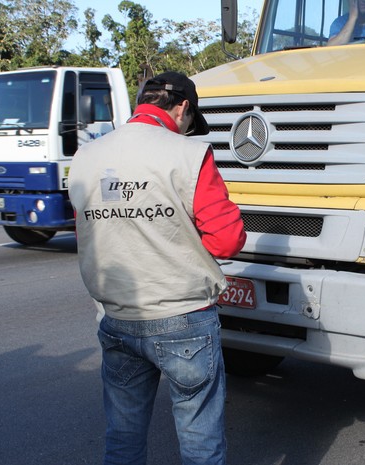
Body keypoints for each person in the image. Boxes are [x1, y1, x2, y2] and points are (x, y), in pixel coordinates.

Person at [69, 71, 246, 465]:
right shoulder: (189, 154)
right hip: (183, 318)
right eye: (188, 120)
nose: (185, 129)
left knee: (123, 436)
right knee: (200, 440)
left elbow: (89, 235)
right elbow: (227, 239)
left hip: (117, 316)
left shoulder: (86, 157)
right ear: (183, 107)